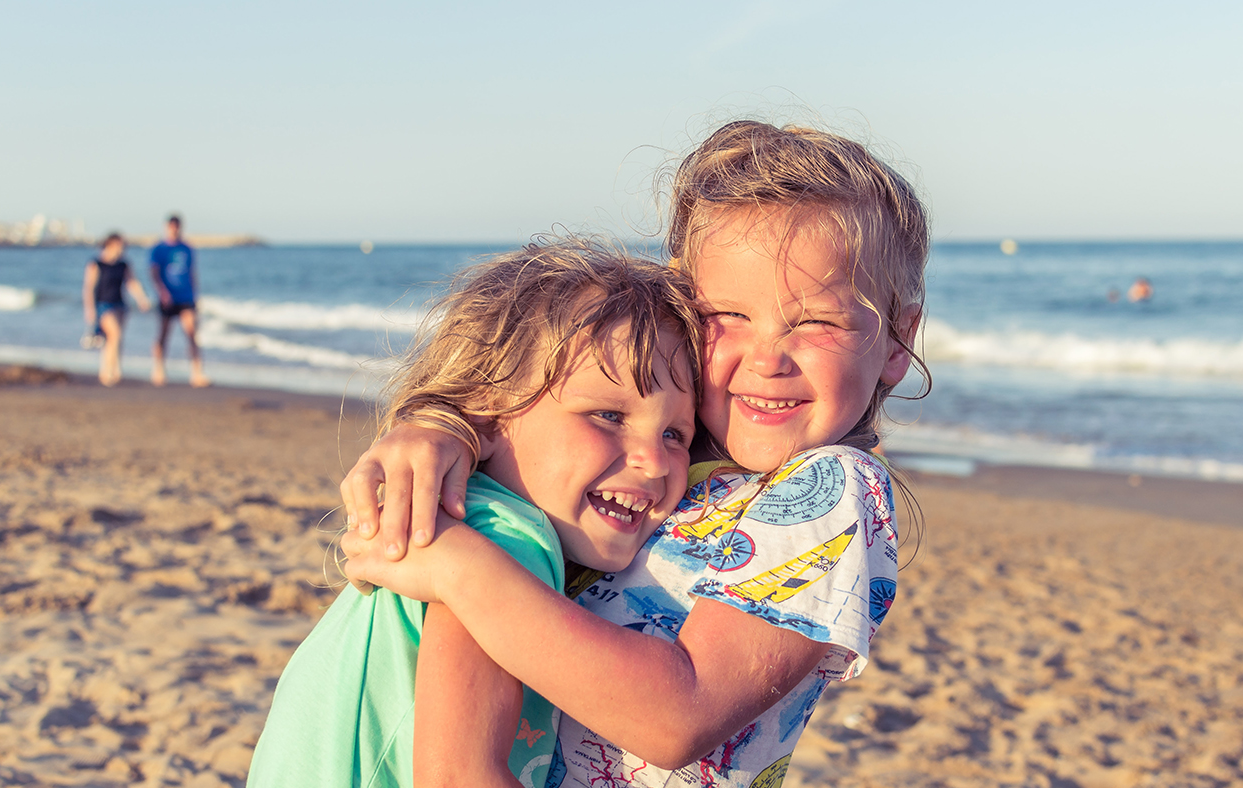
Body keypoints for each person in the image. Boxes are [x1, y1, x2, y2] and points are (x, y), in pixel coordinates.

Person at [340, 120, 930, 786]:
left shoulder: (832, 490)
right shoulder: (667, 457)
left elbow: (678, 716)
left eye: (817, 321)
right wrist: (447, 429)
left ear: (897, 343)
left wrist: (458, 569)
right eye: (725, 316)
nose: (767, 359)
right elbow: (546, 398)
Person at [247, 237, 702, 788]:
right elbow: (460, 777)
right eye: (607, 414)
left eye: (676, 433)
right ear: (490, 416)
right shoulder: (505, 538)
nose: (653, 462)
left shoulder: (476, 521)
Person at [81, 232, 151, 386]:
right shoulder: (96, 263)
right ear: (110, 245)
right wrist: (90, 309)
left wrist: (142, 299)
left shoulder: (123, 264)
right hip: (103, 305)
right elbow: (88, 288)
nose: (122, 249)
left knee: (114, 340)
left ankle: (113, 369)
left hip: (120, 305)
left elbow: (131, 282)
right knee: (115, 335)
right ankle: (107, 372)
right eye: (120, 245)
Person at [148, 214, 210, 387]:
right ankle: (158, 370)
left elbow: (192, 273)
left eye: (177, 226)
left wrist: (196, 296)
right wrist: (162, 291)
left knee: (191, 333)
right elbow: (153, 272)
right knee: (163, 335)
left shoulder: (187, 249)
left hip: (186, 297)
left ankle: (197, 373)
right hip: (167, 298)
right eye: (171, 226)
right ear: (166, 227)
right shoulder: (158, 249)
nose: (174, 230)